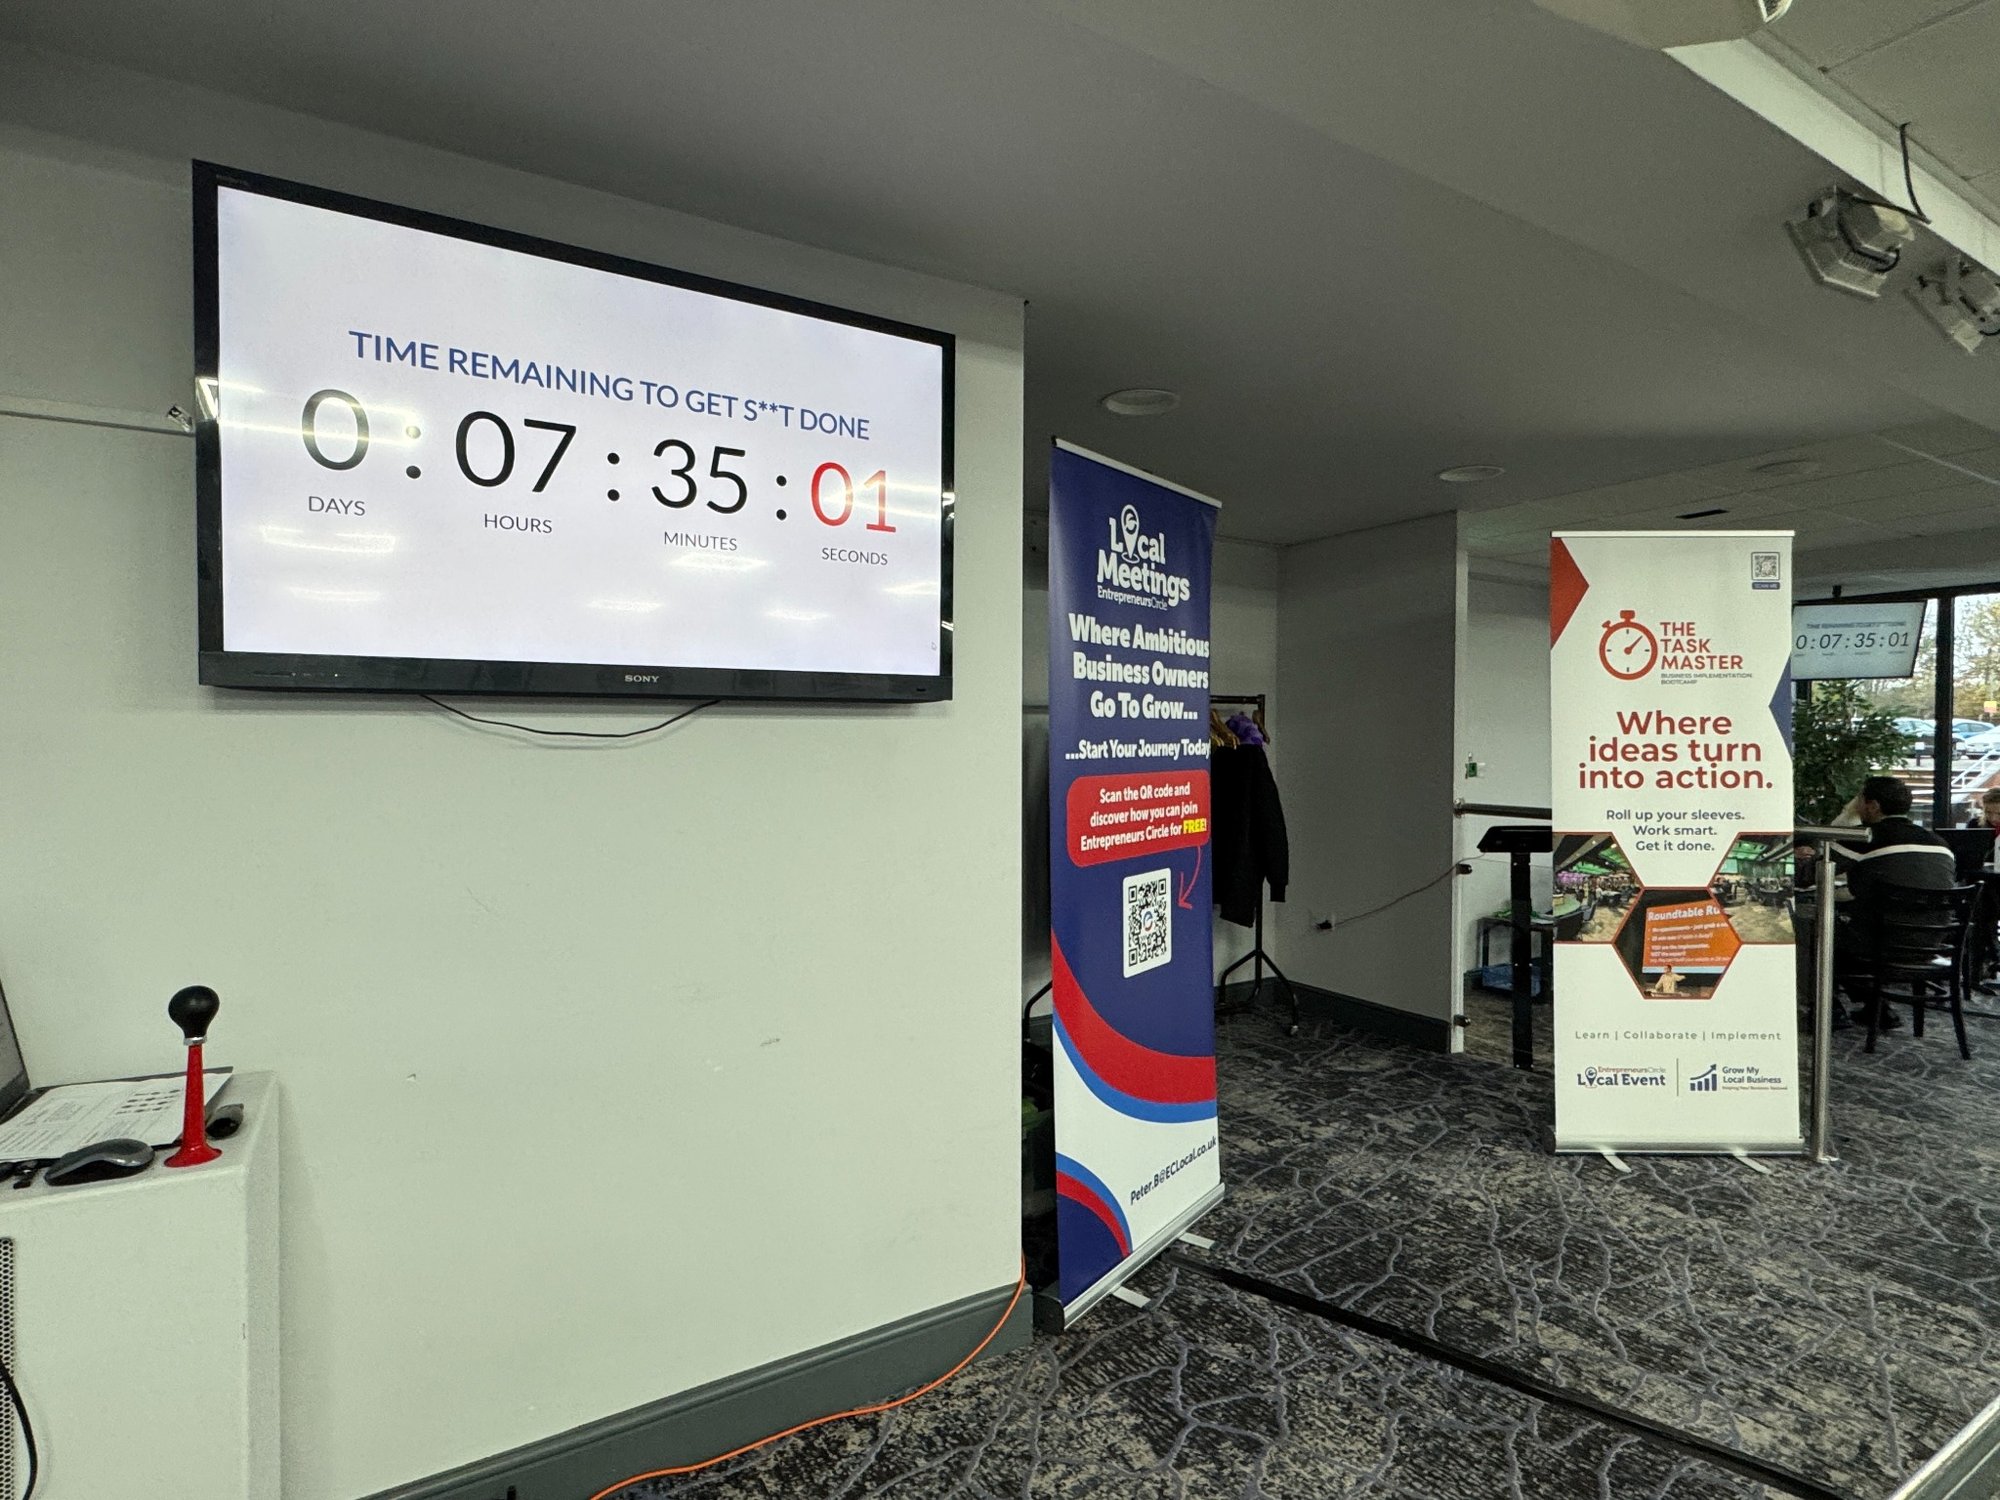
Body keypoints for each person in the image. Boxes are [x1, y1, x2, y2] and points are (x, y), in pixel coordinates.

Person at [1825, 776, 1957, 1029]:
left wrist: (1847, 815)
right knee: (1862, 928)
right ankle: (1878, 1007)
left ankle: (1830, 1009)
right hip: (1931, 944)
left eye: (1859, 799)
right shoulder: (1940, 844)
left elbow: (1809, 875)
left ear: (1873, 805)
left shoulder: (1865, 837)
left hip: (1880, 945)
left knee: (1818, 930)